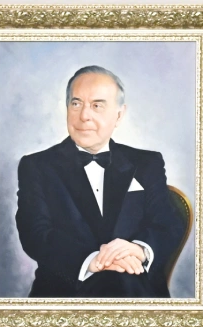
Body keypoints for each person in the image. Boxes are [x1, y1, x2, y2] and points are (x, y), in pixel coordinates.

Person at [15, 65, 186, 298]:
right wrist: (91, 261)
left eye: (97, 105)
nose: (84, 115)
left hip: (136, 290)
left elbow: (167, 223)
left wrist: (138, 249)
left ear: (119, 115)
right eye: (76, 104)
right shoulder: (36, 166)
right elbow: (35, 234)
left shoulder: (147, 163)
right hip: (67, 293)